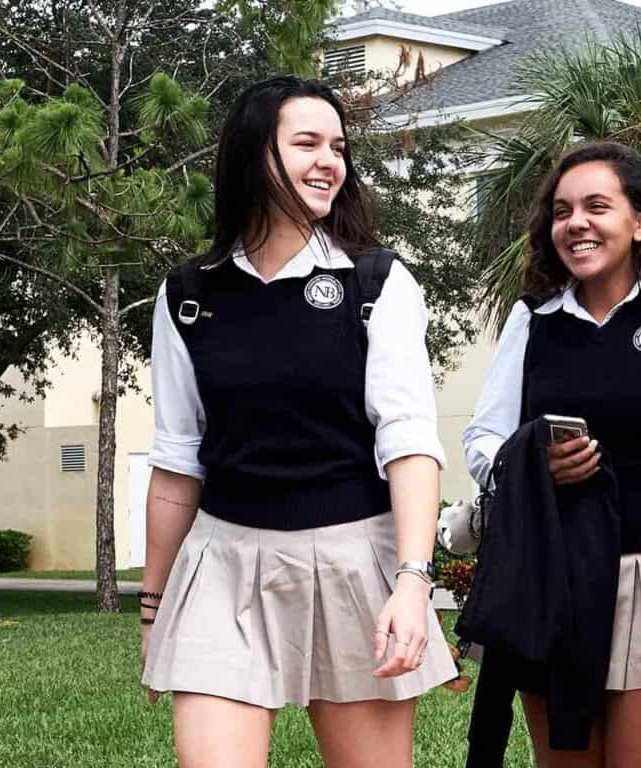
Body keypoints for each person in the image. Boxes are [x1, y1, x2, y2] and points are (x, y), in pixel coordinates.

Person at [138, 75, 453, 768]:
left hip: (355, 560)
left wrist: (413, 579)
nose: (329, 162)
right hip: (221, 564)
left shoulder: (376, 282)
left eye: (338, 147)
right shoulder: (188, 295)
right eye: (306, 143)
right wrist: (154, 607)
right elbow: (177, 462)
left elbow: (409, 443)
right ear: (255, 155)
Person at [462, 141, 641, 768]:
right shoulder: (533, 320)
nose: (576, 223)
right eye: (562, 211)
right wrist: (529, 462)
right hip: (553, 576)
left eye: (597, 207)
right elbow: (483, 439)